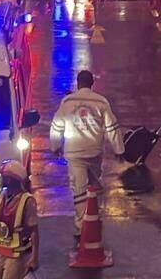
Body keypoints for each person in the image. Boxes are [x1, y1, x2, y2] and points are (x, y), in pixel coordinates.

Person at [49, 70, 125, 244]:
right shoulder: (101, 101)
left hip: (74, 153)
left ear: (78, 83)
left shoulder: (67, 102)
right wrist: (119, 150)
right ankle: (92, 216)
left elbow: (56, 126)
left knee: (79, 190)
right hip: (94, 152)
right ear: (92, 84)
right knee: (92, 185)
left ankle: (81, 226)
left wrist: (55, 146)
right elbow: (112, 128)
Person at [0, 159, 39, 279]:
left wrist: (34, 257)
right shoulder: (2, 196)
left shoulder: (27, 201)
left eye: (3, 177)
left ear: (12, 179)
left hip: (17, 255)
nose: (1, 179)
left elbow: (34, 230)